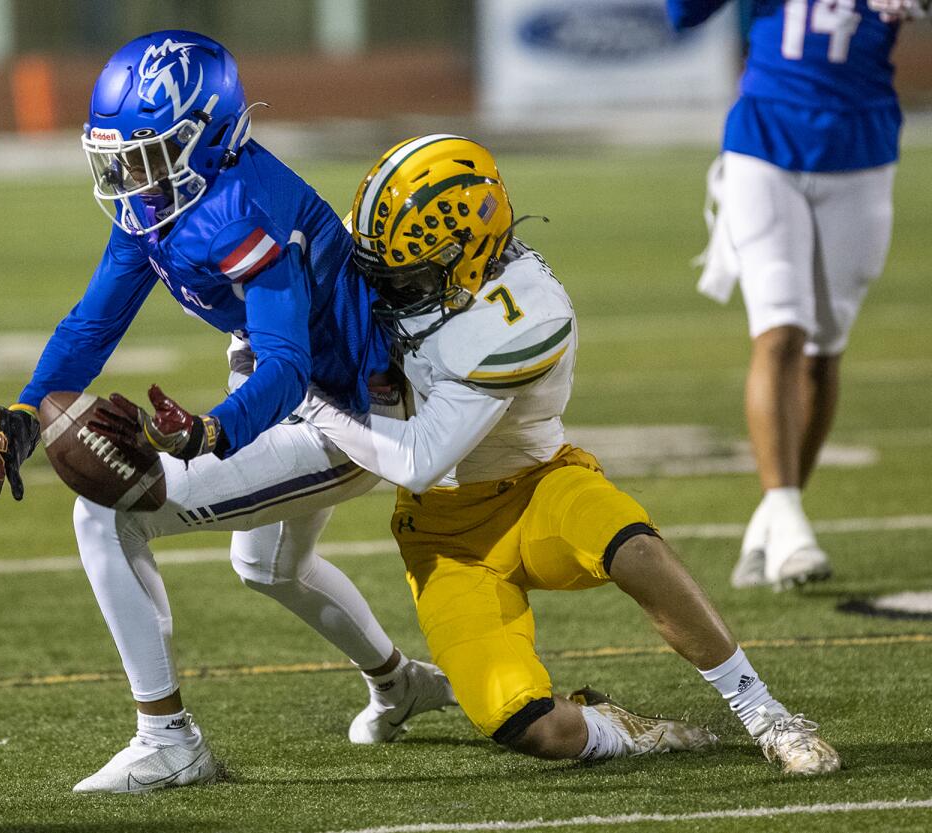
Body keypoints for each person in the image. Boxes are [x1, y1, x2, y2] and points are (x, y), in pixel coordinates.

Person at [0, 31, 453, 795]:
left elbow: (290, 367)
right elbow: (93, 325)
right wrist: (28, 409)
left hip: (351, 407)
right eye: (119, 153)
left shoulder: (240, 209)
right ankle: (400, 681)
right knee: (268, 565)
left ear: (208, 137)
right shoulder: (164, 201)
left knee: (108, 512)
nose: (128, 173)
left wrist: (213, 430)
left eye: (149, 152)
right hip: (287, 377)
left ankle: (167, 742)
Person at [292, 134, 841, 774]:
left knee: (630, 543)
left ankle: (766, 715)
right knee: (521, 723)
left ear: (466, 259)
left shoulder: (525, 314)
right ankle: (625, 729)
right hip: (442, 537)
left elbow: (418, 460)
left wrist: (312, 401)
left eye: (410, 276)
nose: (389, 293)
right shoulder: (418, 275)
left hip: (535, 490)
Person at [667, 0, 923, 590]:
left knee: (823, 350)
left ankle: (773, 521)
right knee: (781, 330)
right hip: (765, 139)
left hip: (861, 149)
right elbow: (683, 13)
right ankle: (787, 514)